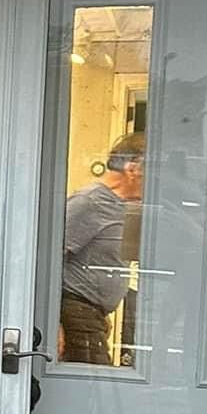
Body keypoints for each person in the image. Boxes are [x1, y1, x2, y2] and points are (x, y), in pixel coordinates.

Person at [59, 132, 145, 365]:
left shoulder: (126, 206)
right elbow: (50, 258)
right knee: (92, 392)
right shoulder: (90, 202)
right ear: (133, 168)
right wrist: (54, 322)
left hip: (93, 316)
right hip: (75, 314)